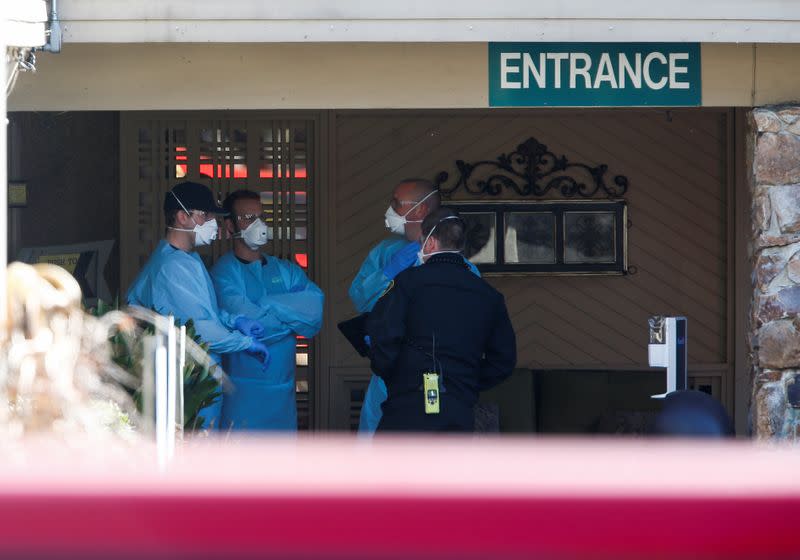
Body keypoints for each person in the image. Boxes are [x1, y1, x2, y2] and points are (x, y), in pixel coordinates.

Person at [127, 181, 269, 429]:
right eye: (206, 215)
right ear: (182, 217)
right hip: (183, 385)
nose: (212, 222)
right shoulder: (172, 267)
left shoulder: (186, 259)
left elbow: (202, 310)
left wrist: (233, 320)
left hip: (193, 383)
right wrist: (244, 342)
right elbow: (199, 329)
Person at [365, 208, 517, 432]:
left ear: (430, 243)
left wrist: (397, 378)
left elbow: (383, 336)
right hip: (458, 408)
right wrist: (466, 381)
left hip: (407, 405)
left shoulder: (407, 282)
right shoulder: (489, 295)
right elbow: (503, 360)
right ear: (460, 245)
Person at [211, 190, 324, 431]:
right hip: (241, 395)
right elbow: (255, 324)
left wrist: (266, 303)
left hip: (283, 395)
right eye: (248, 217)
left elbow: (314, 313)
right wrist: (288, 315)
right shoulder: (224, 272)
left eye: (260, 216)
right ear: (230, 226)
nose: (258, 224)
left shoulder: (285, 269)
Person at [348, 179, 443, 435]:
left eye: (396, 203)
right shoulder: (385, 252)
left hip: (430, 372)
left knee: (426, 442)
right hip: (387, 369)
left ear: (420, 210)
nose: (390, 208)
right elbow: (359, 297)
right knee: (375, 442)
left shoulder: (448, 256)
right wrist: (388, 272)